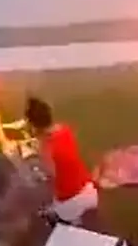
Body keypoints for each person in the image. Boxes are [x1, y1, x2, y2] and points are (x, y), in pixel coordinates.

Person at [24, 96, 100, 227]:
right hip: (88, 189)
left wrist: (36, 168)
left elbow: (51, 175)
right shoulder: (65, 129)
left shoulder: (47, 147)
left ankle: (62, 220)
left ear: (34, 125)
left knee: (53, 205)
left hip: (71, 200)